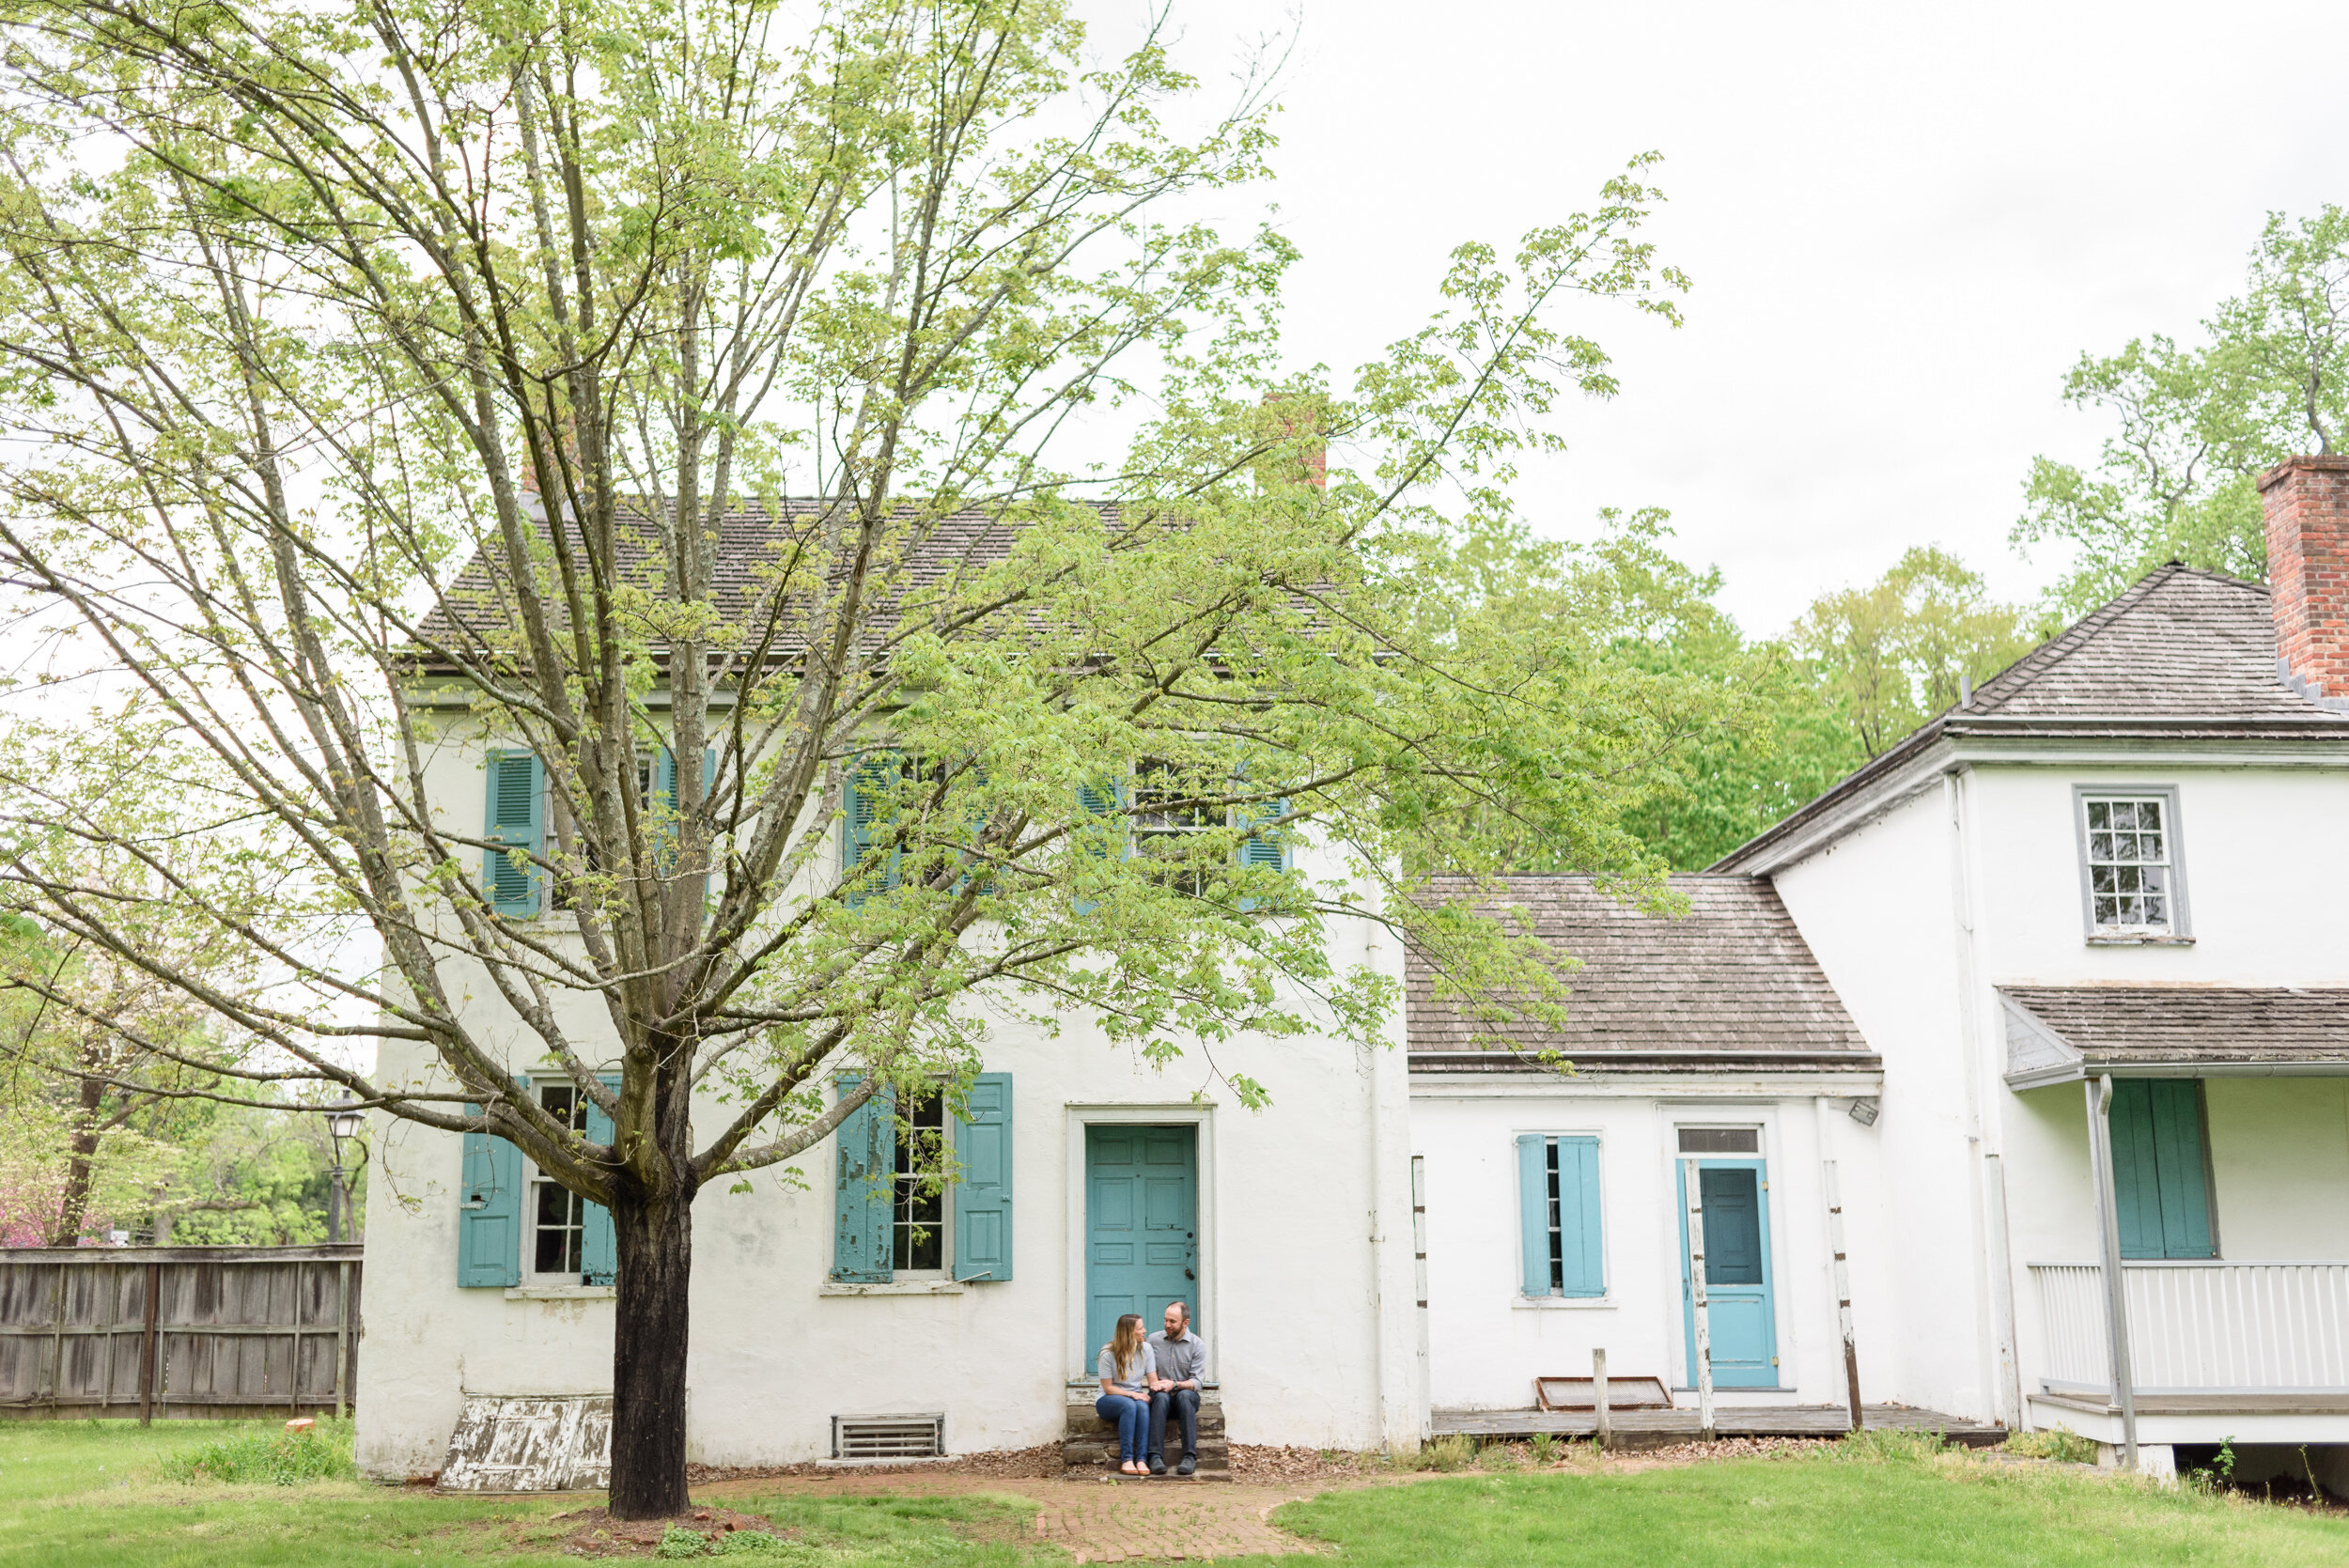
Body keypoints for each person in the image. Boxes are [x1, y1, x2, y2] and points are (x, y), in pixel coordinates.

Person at [1144, 1301, 1208, 1476]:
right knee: (1161, 1397)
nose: (1167, 1325)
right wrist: (1158, 1384)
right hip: (1160, 1397)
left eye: (1172, 1321)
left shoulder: (1197, 1345)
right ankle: (1155, 1456)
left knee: (1185, 1396)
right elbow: (1148, 1370)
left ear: (1185, 1323)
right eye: (1165, 1320)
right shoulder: (1154, 1341)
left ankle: (1189, 1456)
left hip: (1185, 1398)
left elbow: (1197, 1382)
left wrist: (1174, 1384)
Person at [1095, 1312, 1155, 1476]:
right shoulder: (1108, 1353)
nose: (1145, 1331)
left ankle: (1141, 1459)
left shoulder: (1146, 1349)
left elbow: (1152, 1379)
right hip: (1108, 1400)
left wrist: (1164, 1387)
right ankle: (1127, 1459)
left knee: (1142, 1407)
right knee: (1130, 1405)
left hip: (1134, 1398)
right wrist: (1133, 1395)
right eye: (1140, 1328)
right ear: (1129, 1333)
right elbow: (1108, 1388)